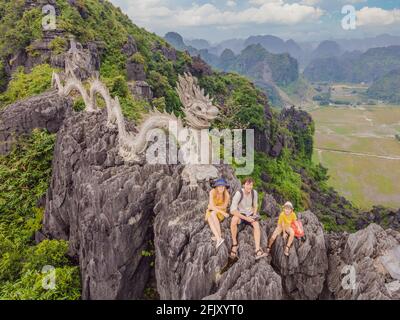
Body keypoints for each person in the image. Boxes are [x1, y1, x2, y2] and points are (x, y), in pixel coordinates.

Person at [230, 177, 267, 260]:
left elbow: (255, 205)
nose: (249, 187)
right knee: (234, 220)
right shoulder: (239, 193)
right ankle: (234, 244)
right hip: (241, 214)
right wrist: (246, 218)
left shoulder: (254, 193)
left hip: (250, 213)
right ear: (243, 185)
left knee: (256, 225)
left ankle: (257, 249)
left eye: (251, 185)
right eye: (247, 184)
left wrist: (254, 215)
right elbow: (232, 210)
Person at [205, 178, 230, 249]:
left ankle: (218, 237)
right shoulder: (212, 192)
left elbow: (224, 206)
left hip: (220, 211)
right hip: (218, 211)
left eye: (223, 186)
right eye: (219, 186)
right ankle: (218, 237)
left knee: (212, 213)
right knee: (210, 217)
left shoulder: (226, 194)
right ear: (216, 187)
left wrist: (212, 207)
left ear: (225, 187)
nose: (221, 188)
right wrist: (212, 207)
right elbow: (211, 206)